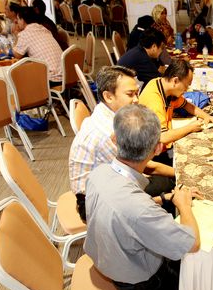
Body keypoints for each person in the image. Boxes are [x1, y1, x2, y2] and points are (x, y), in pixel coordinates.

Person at [84, 104, 201, 290]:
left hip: (105, 258)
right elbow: (191, 243)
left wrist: (166, 198)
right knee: (200, 265)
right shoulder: (139, 209)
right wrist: (184, 205)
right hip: (135, 281)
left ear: (114, 139)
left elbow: (123, 211)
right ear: (158, 149)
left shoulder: (98, 173)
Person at [69, 66, 175, 222]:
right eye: (130, 94)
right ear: (108, 96)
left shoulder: (103, 112)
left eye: (137, 93)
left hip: (101, 188)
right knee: (167, 184)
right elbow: (145, 166)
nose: (136, 99)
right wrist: (179, 175)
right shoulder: (108, 133)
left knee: (164, 178)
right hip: (94, 204)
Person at [138, 59, 213, 165]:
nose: (187, 89)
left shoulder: (165, 86)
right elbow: (163, 137)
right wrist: (191, 127)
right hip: (152, 153)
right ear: (175, 81)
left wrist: (206, 116)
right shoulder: (153, 100)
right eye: (186, 85)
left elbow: (186, 105)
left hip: (162, 143)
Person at [12, 7, 63, 84]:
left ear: (23, 20)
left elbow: (17, 54)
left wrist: (16, 34)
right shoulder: (43, 28)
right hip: (65, 75)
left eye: (18, 19)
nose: (17, 22)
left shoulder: (25, 34)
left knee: (19, 74)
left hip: (51, 79)